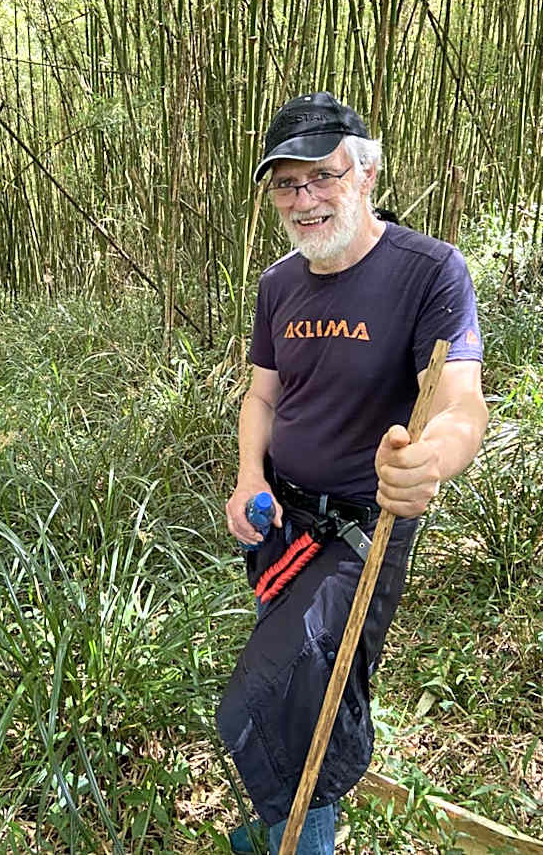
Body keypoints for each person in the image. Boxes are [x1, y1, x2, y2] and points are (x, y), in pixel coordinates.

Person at [217, 92, 488, 855]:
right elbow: (262, 393)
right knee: (308, 692)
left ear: (363, 173)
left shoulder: (428, 270)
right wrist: (248, 479)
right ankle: (281, 827)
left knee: (261, 699)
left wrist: (428, 462)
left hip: (362, 527)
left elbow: (462, 402)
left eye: (321, 178)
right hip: (279, 527)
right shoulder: (279, 283)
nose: (304, 200)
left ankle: (297, 839)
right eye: (284, 184)